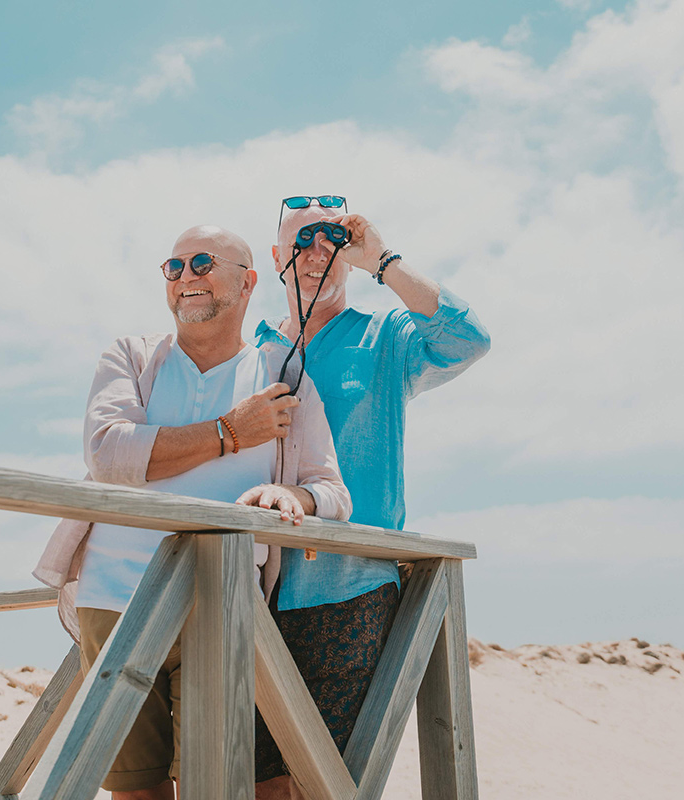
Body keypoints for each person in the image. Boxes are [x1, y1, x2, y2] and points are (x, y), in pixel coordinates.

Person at [32, 224, 351, 800]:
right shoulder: (131, 356)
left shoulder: (285, 373)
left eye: (202, 263)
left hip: (224, 604)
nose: (186, 278)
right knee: (136, 790)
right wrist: (230, 432)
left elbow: (330, 490)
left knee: (215, 785)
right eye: (174, 268)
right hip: (111, 599)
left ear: (248, 281)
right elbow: (109, 452)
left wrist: (293, 498)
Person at [253, 198, 491, 798]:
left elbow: (468, 340)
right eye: (302, 241)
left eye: (333, 241)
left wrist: (382, 261)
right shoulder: (248, 350)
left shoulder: (384, 336)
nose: (317, 253)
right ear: (277, 258)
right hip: (252, 587)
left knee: (328, 783)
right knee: (255, 782)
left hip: (351, 590)